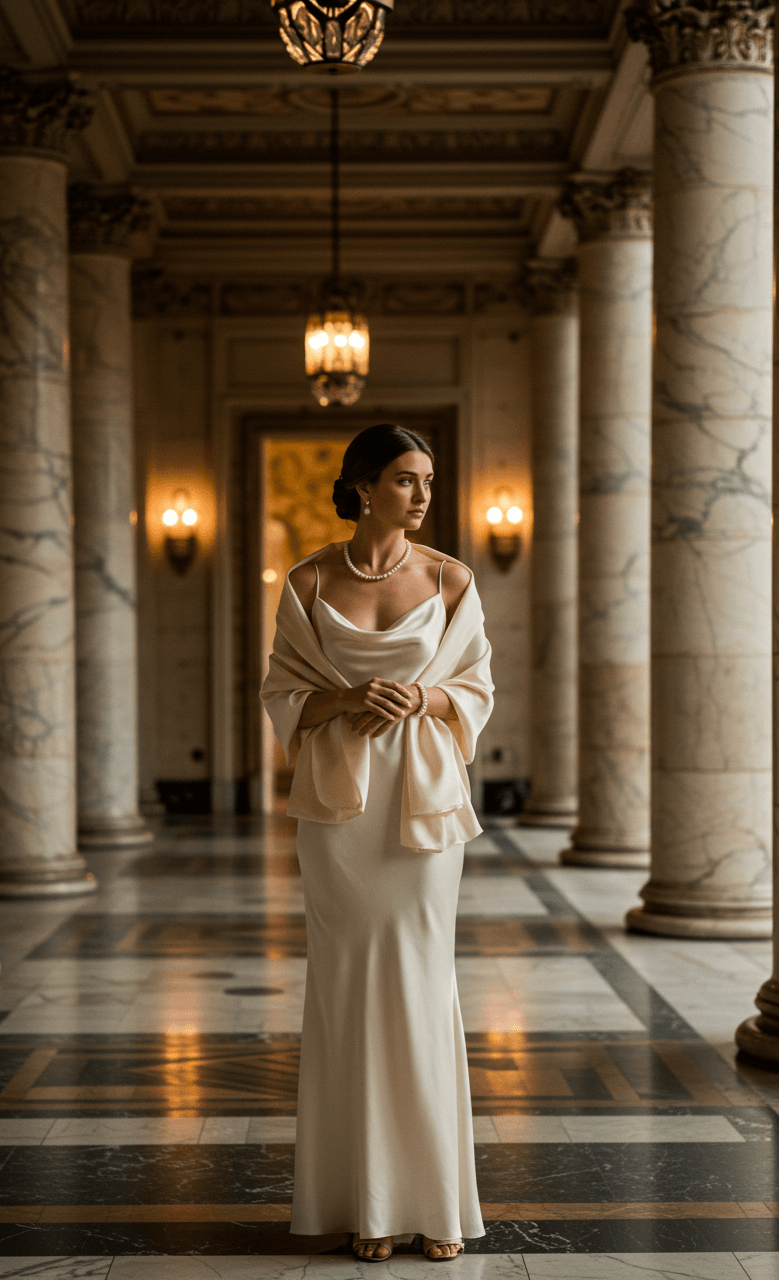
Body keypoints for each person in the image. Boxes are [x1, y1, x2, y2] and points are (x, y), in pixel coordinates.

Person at [261, 424, 494, 1263]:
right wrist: (349, 693)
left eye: (429, 480)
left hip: (423, 809)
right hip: (340, 814)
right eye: (405, 480)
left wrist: (425, 700)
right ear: (363, 487)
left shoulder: (451, 577)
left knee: (423, 984)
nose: (424, 495)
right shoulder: (307, 578)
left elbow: (476, 689)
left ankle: (434, 1205)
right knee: (349, 989)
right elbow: (284, 692)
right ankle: (367, 1202)